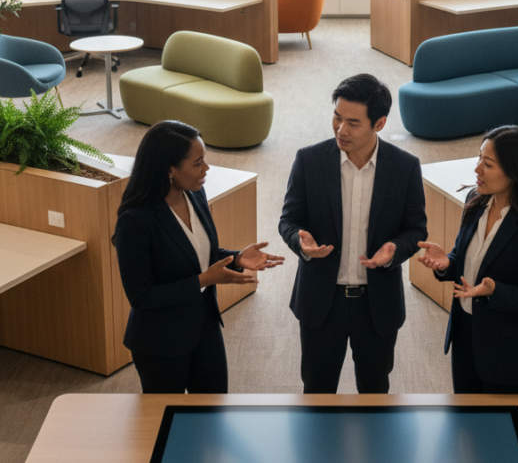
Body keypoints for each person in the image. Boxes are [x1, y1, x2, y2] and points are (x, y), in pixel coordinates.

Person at [278, 73, 427, 394]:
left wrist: (395, 248)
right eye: (336, 117)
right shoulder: (309, 160)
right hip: (321, 302)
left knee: (375, 389)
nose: (341, 130)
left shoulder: (405, 167)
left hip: (377, 306)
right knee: (317, 389)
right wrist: (299, 241)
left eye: (353, 123)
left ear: (380, 123)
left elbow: (416, 228)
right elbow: (288, 219)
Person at [112, 120, 284, 394]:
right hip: (160, 342)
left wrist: (237, 258)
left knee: (214, 412)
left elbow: (196, 254)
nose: (206, 169)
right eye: (198, 163)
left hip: (205, 326)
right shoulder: (135, 222)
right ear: (169, 169)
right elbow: (141, 296)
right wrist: (204, 280)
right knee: (169, 421)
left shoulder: (195, 194)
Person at [416, 125, 518, 394]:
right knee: (467, 425)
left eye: (488, 164)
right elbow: (465, 260)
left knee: (503, 431)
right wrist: (447, 263)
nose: (477, 169)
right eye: (479, 158)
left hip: (510, 353)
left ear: (516, 171)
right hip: (467, 336)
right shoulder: (475, 201)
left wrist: (497, 291)